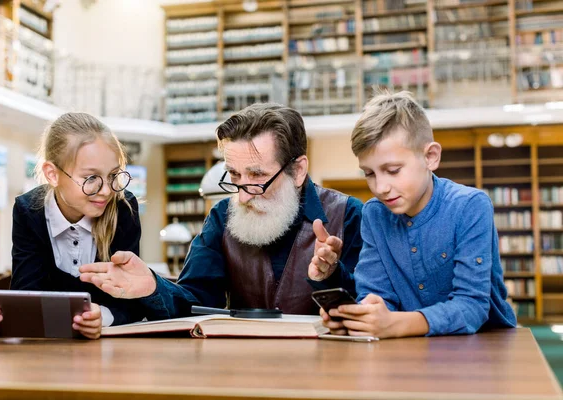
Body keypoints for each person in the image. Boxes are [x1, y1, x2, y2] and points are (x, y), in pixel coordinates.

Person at [78, 103, 363, 318]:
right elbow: (197, 303)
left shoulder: (349, 216)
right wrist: (154, 286)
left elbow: (366, 312)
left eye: (256, 176)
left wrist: (330, 276)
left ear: (298, 170)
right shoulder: (220, 217)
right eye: (234, 176)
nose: (241, 196)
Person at [319, 91, 517, 338]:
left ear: (430, 157)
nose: (380, 187)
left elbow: (472, 307)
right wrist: (358, 319)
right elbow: (377, 296)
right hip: (407, 345)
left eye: (392, 170)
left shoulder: (471, 206)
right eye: (369, 174)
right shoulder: (374, 214)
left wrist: (394, 324)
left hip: (485, 343)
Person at [0, 112, 151, 341]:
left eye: (113, 175)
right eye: (91, 177)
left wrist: (103, 317)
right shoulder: (27, 210)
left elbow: (133, 302)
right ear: (52, 174)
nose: (107, 190)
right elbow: (25, 295)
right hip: (43, 355)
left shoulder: (123, 207)